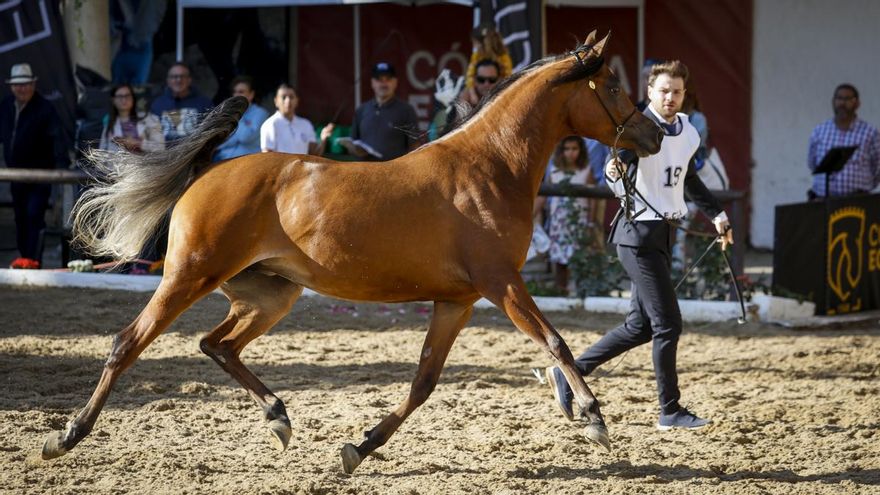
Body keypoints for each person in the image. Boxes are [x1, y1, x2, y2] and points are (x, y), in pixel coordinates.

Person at [545, 60, 733, 430]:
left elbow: (689, 179)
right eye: (663, 91)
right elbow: (618, 172)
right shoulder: (635, 131)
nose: (670, 98)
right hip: (636, 237)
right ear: (649, 92)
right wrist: (615, 173)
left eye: (676, 91)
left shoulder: (689, 133)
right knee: (668, 325)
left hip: (662, 235)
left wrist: (717, 214)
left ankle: (570, 373)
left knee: (641, 326)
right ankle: (671, 410)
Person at [0, 63, 70, 269]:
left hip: (40, 176)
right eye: (17, 85)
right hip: (15, 175)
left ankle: (33, 260)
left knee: (34, 215)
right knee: (20, 217)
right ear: (12, 87)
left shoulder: (45, 108)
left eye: (26, 84)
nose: (22, 88)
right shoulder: (5, 106)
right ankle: (24, 258)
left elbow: (58, 140)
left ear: (33, 84)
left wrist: (61, 168)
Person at [533, 136, 593, 295]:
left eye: (575, 149)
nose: (571, 153)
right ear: (561, 151)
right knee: (560, 258)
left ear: (580, 151)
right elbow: (544, 196)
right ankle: (561, 289)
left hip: (579, 221)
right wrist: (532, 214)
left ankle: (581, 291)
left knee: (579, 256)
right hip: (559, 222)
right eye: (567, 149)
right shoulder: (555, 171)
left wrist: (592, 222)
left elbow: (592, 199)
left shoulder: (585, 171)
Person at [807, 83, 880, 197]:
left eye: (847, 99)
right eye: (839, 98)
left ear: (857, 104)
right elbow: (812, 163)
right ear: (833, 102)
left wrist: (865, 187)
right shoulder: (819, 131)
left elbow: (877, 167)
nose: (842, 103)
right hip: (823, 202)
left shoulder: (870, 133)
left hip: (857, 201)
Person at [344, 62, 418, 161]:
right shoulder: (361, 110)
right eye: (379, 80)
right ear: (372, 83)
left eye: (388, 79)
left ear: (395, 82)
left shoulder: (406, 110)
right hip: (365, 172)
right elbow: (352, 143)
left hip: (393, 173)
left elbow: (415, 145)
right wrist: (355, 150)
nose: (384, 84)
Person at [260, 84, 332, 155]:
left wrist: (323, 139)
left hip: (302, 167)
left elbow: (314, 154)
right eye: (284, 97)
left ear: (297, 100)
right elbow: (267, 158)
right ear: (276, 101)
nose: (288, 101)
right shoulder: (270, 125)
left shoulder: (306, 124)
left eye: (291, 97)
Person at [150, 62, 213, 144]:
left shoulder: (204, 103)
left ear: (189, 80)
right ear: (168, 81)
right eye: (174, 77)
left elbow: (210, 131)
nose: (178, 80)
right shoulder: (158, 105)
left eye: (182, 76)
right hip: (165, 154)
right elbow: (152, 135)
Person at [110, 0, 167, 85]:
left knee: (137, 86)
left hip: (140, 45)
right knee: (116, 86)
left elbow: (134, 22)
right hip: (120, 46)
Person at [213, 76, 269, 161]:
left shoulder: (261, 113)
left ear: (251, 95)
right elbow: (221, 140)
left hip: (248, 160)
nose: (236, 95)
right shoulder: (227, 112)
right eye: (235, 92)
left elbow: (245, 137)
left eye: (241, 92)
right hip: (223, 157)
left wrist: (238, 115)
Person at [441, 58, 501, 136]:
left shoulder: (505, 95)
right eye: (481, 79)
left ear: (499, 80)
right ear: (475, 80)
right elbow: (460, 129)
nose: (486, 84)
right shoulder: (466, 97)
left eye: (492, 79)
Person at [99, 83, 164, 153]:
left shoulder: (149, 119)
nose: (124, 100)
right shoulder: (110, 123)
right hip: (117, 163)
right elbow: (102, 153)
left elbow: (160, 148)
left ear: (133, 98)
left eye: (127, 96)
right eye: (120, 96)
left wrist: (138, 143)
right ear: (113, 100)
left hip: (143, 162)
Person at [463, 25, 512, 106]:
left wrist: (501, 93)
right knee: (465, 94)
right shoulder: (477, 55)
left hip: (499, 90)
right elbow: (470, 76)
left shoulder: (503, 57)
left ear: (483, 43)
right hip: (479, 92)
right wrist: (472, 94)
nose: (474, 46)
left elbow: (508, 78)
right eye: (481, 79)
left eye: (474, 43)